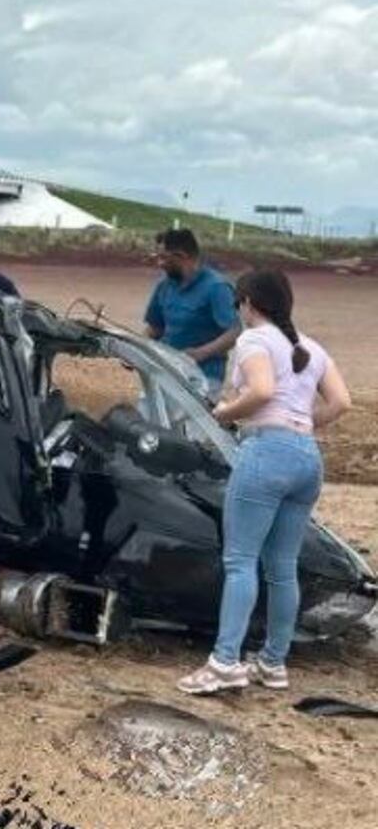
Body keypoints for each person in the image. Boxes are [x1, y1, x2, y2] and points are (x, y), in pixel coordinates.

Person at [178, 270, 352, 694]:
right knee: (282, 567)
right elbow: (341, 402)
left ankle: (224, 663)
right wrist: (301, 424)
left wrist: (222, 414)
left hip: (266, 454)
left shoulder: (253, 340)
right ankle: (273, 663)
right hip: (307, 459)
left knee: (240, 561)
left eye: (239, 303)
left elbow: (260, 389)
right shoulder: (310, 347)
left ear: (248, 303)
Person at [144, 228, 239, 386]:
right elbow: (155, 329)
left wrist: (199, 354)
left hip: (204, 378)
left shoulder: (216, 287)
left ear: (182, 256)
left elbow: (234, 331)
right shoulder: (164, 286)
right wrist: (139, 349)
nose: (160, 264)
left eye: (163, 258)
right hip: (166, 372)